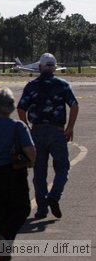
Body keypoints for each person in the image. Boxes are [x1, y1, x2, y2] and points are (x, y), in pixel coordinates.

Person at [17, 52, 79, 219]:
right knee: (62, 168)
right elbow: (74, 105)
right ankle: (54, 195)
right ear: (55, 67)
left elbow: (21, 108)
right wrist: (70, 127)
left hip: (37, 131)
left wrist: (27, 129)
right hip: (57, 131)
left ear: (39, 67)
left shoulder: (31, 85)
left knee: (39, 172)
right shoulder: (63, 85)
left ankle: (41, 209)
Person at [0, 88, 35, 260]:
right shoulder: (18, 126)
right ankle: (7, 235)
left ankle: (4, 253)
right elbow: (30, 149)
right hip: (12, 171)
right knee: (22, 208)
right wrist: (30, 162)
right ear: (11, 107)